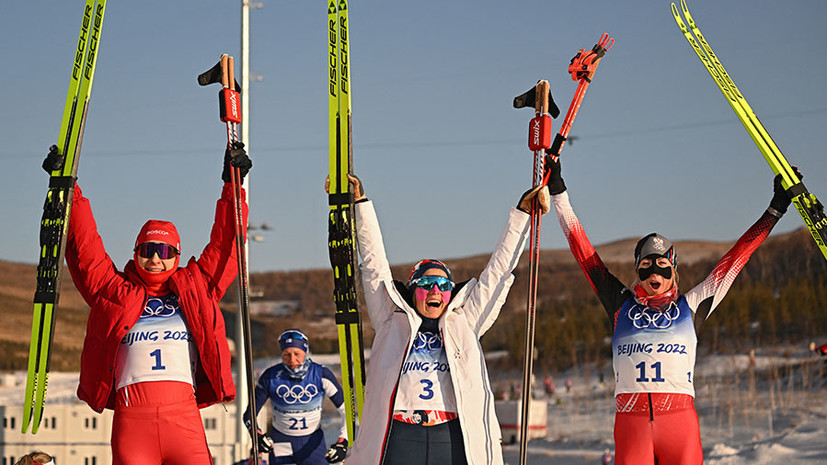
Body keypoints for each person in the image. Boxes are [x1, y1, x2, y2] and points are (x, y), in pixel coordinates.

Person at [547, 154, 798, 465]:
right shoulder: (620, 304)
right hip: (631, 423)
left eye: (663, 267)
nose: (655, 274)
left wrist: (774, 210)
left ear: (674, 270)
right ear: (636, 269)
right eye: (646, 267)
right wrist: (558, 192)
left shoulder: (689, 306)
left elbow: (736, 259)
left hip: (678, 422)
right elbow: (584, 253)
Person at [43, 141, 251, 464]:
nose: (156, 258)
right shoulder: (114, 291)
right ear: (136, 252)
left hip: (183, 419)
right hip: (132, 421)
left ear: (177, 256)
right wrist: (70, 188)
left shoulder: (195, 289)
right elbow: (85, 249)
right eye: (147, 249)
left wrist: (233, 187)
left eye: (165, 251)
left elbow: (227, 245)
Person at [339, 174, 545, 465]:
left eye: (444, 286)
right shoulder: (390, 318)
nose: (435, 291)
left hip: (449, 437)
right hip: (400, 435)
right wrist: (360, 204)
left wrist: (523, 215)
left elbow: (497, 274)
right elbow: (374, 266)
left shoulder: (465, 321)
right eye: (426, 285)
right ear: (412, 292)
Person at [243, 329, 349, 465]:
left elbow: (347, 410)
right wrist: (257, 435)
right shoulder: (270, 376)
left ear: (306, 352)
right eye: (286, 354)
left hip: (312, 443)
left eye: (297, 354)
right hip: (281, 442)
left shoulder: (321, 374)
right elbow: (249, 415)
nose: (292, 360)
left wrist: (343, 442)